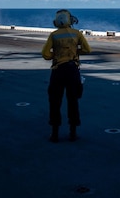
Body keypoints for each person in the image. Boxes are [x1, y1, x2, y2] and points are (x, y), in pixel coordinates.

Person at [42, 9, 91, 142]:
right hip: (72, 71)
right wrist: (75, 51)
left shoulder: (53, 35)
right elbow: (87, 49)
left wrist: (57, 55)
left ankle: (54, 134)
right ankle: (73, 133)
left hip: (58, 71)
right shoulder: (76, 34)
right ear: (70, 20)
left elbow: (45, 54)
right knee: (73, 101)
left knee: (55, 102)